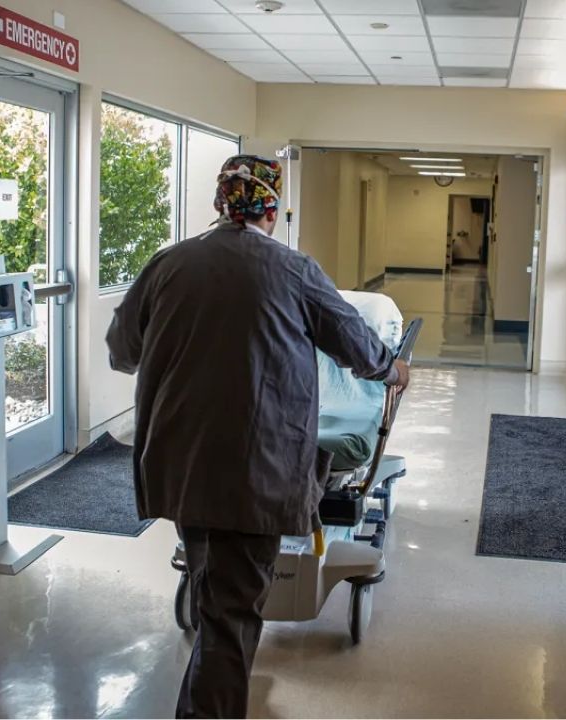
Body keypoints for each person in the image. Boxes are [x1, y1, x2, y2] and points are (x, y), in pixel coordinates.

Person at [105, 155, 409, 719]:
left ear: (222, 202)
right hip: (255, 469)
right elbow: (356, 346)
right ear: (271, 209)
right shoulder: (293, 270)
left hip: (180, 465)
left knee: (213, 587)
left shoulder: (168, 264)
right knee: (230, 614)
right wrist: (394, 370)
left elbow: (122, 350)